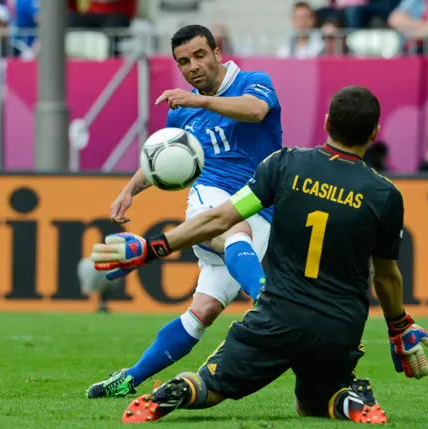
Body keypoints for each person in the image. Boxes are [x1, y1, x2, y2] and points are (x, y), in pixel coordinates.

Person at [91, 86, 428, 424]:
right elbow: (387, 275)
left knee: (210, 385)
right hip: (339, 324)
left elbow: (219, 218)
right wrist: (399, 326)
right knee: (314, 402)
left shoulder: (285, 165)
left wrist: (154, 247)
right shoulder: (385, 194)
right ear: (375, 132)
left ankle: (179, 390)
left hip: (277, 314)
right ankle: (348, 398)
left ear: (327, 122)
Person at [86, 23, 283, 398]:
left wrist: (199, 101)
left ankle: (131, 377)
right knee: (233, 231)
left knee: (202, 312)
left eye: (198, 56)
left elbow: (257, 111)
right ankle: (266, 302)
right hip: (211, 200)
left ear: (217, 52)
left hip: (263, 207)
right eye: (183, 61)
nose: (192, 66)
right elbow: (165, 157)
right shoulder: (182, 113)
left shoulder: (253, 82)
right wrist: (130, 189)